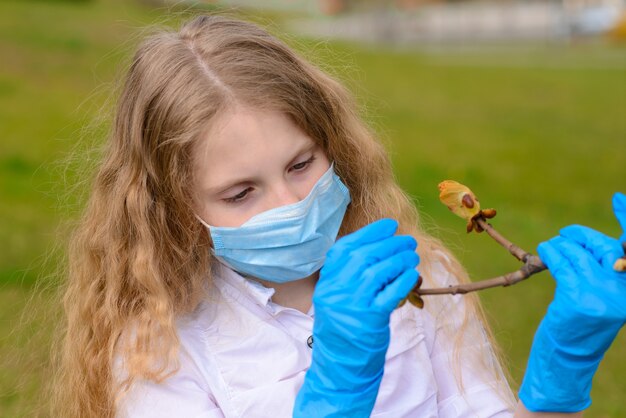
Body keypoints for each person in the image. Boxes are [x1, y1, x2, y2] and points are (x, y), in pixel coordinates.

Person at [51, 14, 626, 418]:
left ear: (335, 147)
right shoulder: (159, 349)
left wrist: (561, 373)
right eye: (240, 193)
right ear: (176, 208)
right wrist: (334, 393)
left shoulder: (420, 277)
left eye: (301, 164)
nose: (292, 204)